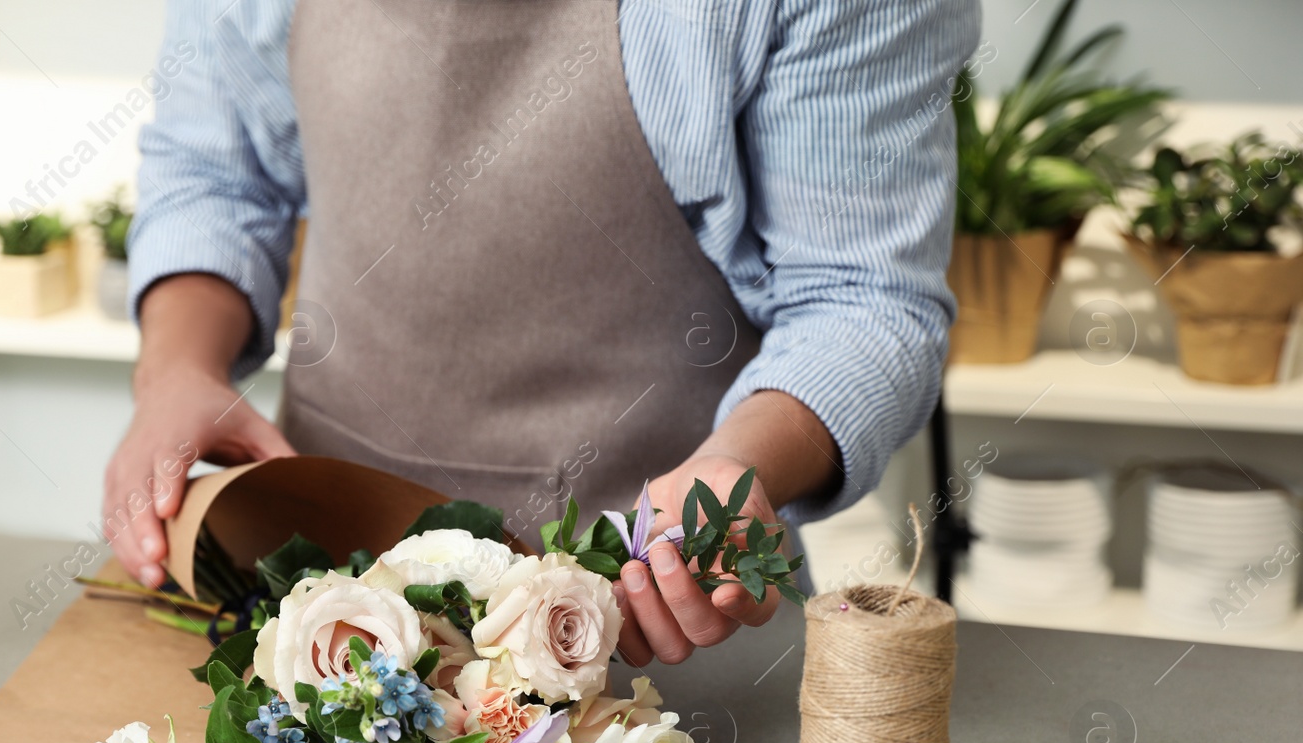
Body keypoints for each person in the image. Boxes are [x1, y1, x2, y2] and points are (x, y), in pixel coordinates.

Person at [105, 0, 978, 668]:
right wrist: (178, 368)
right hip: (313, 621)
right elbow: (216, 174)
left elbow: (863, 297)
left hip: (652, 635)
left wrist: (736, 474)